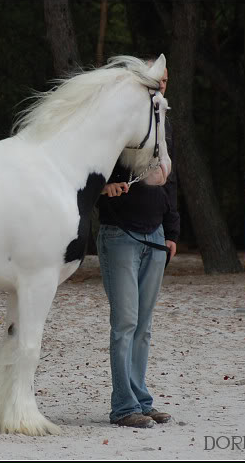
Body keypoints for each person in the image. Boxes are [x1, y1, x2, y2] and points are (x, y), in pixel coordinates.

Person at [96, 62, 179, 428]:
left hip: (156, 235)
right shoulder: (118, 124)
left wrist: (172, 231)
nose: (162, 82)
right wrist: (103, 192)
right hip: (121, 235)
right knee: (125, 323)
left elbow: (170, 180)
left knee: (143, 326)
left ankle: (142, 402)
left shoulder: (162, 122)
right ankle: (123, 407)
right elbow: (91, 171)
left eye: (164, 78)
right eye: (155, 78)